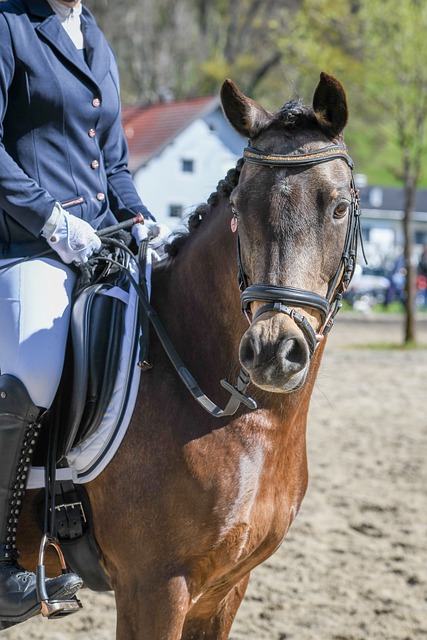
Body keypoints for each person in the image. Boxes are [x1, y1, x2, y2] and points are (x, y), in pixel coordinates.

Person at [0, 0, 153, 625]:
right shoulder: (10, 23)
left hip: (98, 248)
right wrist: (51, 221)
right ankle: (3, 562)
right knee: (35, 365)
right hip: (27, 243)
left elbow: (112, 162)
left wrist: (139, 220)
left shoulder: (92, 35)